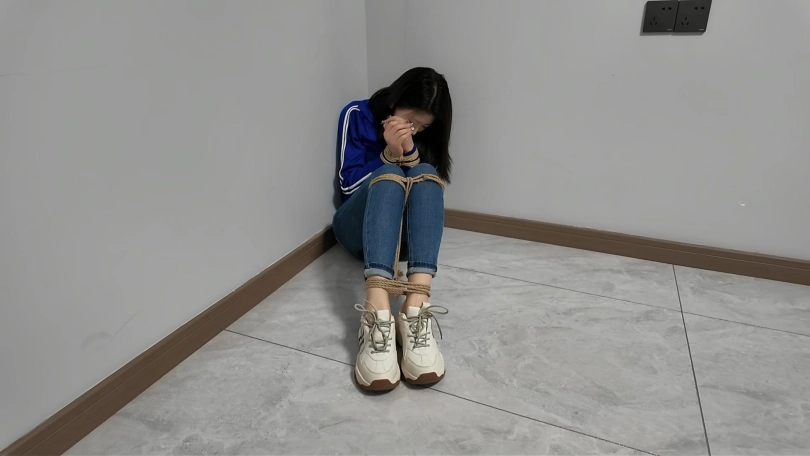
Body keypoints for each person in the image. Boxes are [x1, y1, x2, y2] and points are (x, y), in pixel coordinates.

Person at [332, 67, 453, 392]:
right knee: (389, 175)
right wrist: (389, 155)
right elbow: (347, 187)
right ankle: (376, 312)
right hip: (356, 229)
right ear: (394, 102)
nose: (414, 129)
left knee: (426, 172)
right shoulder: (357, 115)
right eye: (411, 120)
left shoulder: (421, 138)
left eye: (423, 127)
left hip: (402, 240)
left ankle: (415, 309)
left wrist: (410, 152)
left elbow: (421, 198)